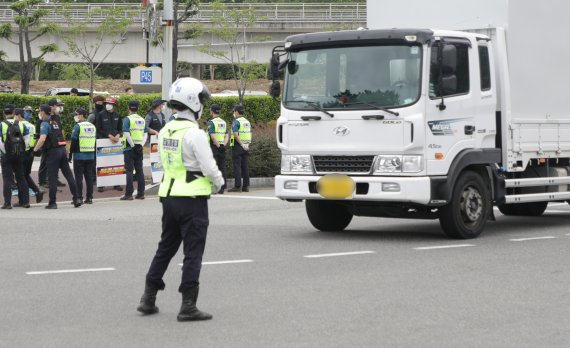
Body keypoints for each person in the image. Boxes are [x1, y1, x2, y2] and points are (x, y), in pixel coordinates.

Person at [136, 77, 224, 322]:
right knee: (193, 251)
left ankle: (148, 298)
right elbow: (209, 167)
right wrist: (220, 183)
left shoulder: (166, 130)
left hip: (169, 196)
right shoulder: (194, 134)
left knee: (166, 247)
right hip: (192, 199)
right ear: (193, 101)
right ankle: (188, 305)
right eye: (201, 100)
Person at [33, 104, 81, 209]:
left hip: (52, 152)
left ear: (43, 112)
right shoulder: (55, 121)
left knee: (52, 178)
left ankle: (52, 202)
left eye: (40, 111)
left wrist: (35, 150)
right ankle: (76, 198)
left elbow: (42, 139)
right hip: (62, 150)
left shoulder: (44, 123)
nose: (39, 113)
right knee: (69, 175)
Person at [0, 104, 30, 209]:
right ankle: (25, 202)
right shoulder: (20, 124)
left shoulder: (1, 124)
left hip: (6, 155)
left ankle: (7, 203)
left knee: (7, 178)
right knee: (21, 177)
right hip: (18, 154)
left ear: (4, 113)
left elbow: (0, 141)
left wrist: (4, 152)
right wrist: (22, 150)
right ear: (13, 113)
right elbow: (27, 138)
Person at [15, 108, 44, 204]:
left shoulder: (19, 125)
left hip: (22, 153)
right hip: (31, 153)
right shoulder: (32, 126)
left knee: (20, 177)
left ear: (19, 115)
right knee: (25, 175)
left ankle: (23, 200)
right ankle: (37, 191)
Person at [121, 100, 148, 201]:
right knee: (140, 170)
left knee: (129, 171)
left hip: (129, 148)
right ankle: (141, 193)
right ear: (138, 108)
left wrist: (132, 145)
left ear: (129, 108)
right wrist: (140, 145)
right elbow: (146, 134)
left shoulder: (127, 119)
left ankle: (129, 194)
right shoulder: (142, 119)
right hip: (139, 148)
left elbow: (126, 133)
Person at [95, 97, 123, 193]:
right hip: (104, 142)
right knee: (103, 164)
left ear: (114, 106)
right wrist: (109, 136)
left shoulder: (117, 115)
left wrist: (119, 135)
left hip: (116, 143)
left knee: (116, 163)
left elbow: (120, 128)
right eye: (106, 103)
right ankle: (101, 184)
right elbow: (98, 129)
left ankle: (117, 183)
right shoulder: (100, 115)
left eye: (110, 104)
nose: (108, 105)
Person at [38, 98, 66, 188]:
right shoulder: (43, 117)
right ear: (51, 106)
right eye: (57, 106)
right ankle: (43, 180)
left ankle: (54, 179)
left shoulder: (57, 117)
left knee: (55, 163)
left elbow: (61, 130)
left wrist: (63, 141)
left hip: (57, 144)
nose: (59, 107)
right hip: (47, 144)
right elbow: (41, 132)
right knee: (44, 163)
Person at [69, 108, 96, 205]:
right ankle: (89, 198)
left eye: (76, 114)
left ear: (81, 115)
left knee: (78, 177)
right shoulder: (92, 126)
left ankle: (79, 197)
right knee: (89, 177)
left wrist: (70, 154)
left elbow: (73, 141)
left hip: (79, 155)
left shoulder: (78, 126)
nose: (75, 116)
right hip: (90, 155)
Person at [228, 105, 252, 193]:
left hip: (237, 146)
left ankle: (237, 186)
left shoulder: (236, 121)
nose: (233, 113)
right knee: (245, 166)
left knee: (237, 166)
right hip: (246, 146)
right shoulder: (247, 122)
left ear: (237, 112)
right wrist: (247, 145)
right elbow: (249, 134)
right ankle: (246, 186)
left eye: (234, 111)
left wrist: (241, 144)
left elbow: (235, 134)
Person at [207, 104, 228, 194]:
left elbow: (212, 136)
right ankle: (222, 187)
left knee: (214, 168)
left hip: (215, 147)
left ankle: (215, 187)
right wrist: (223, 145)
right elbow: (227, 135)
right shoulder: (223, 122)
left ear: (212, 111)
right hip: (222, 147)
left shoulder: (211, 122)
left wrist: (218, 145)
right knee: (222, 167)